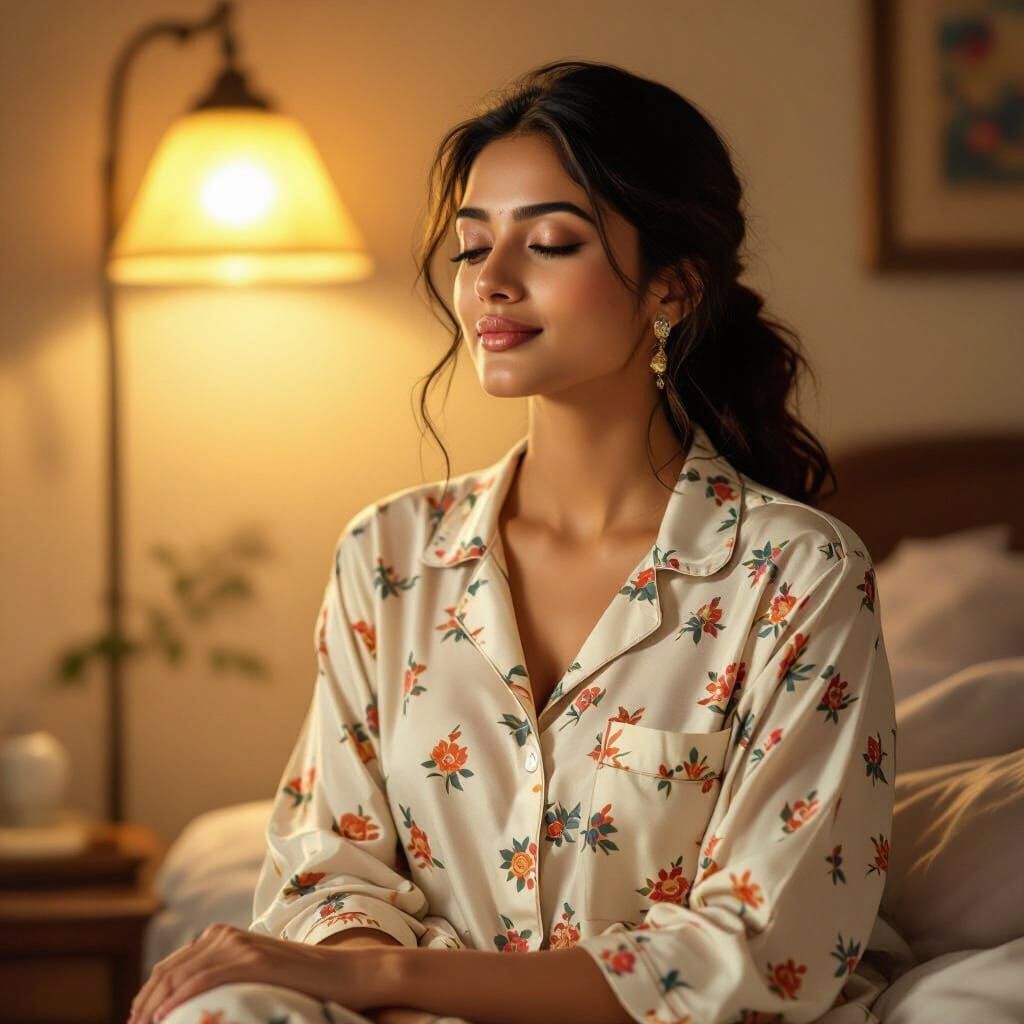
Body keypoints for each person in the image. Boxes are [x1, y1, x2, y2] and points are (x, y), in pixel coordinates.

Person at [129, 58, 907, 1024]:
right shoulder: (389, 553)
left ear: (672, 287)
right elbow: (331, 866)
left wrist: (386, 979)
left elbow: (758, 951)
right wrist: (367, 974)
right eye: (471, 247)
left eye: (548, 243)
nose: (490, 282)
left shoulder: (798, 577)